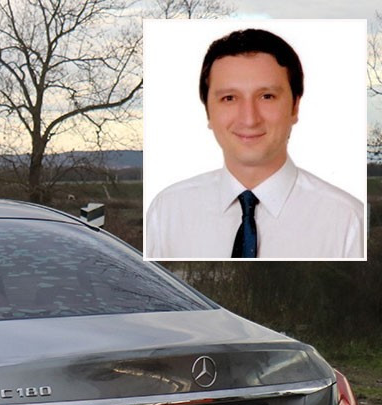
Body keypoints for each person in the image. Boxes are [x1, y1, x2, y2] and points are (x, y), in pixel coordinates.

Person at [144, 28, 364, 259]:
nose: (249, 119)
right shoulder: (166, 212)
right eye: (229, 98)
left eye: (266, 96)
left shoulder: (347, 221)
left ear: (295, 106)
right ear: (208, 112)